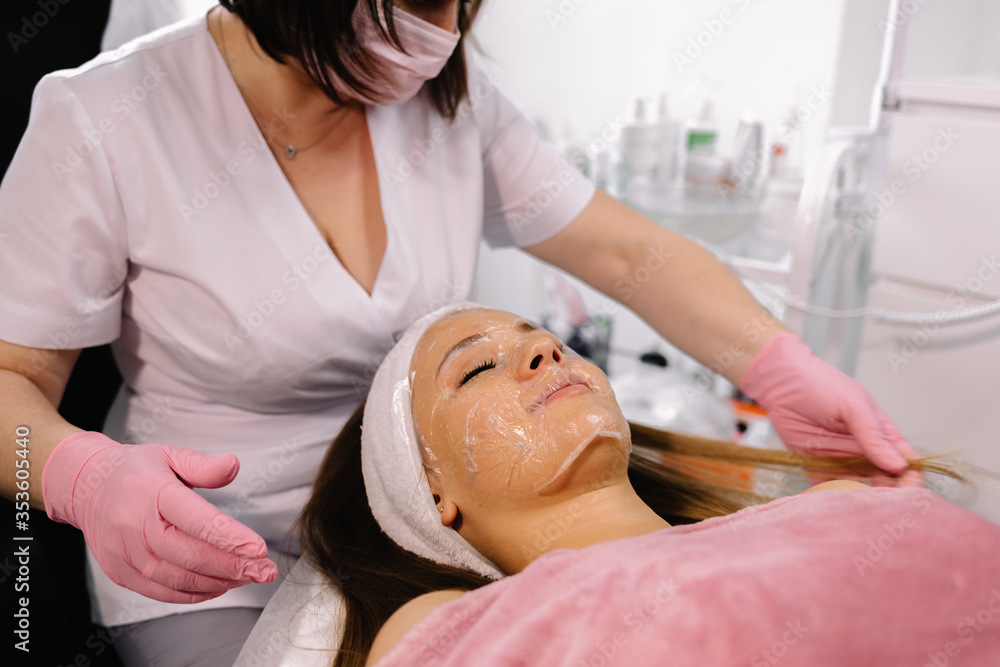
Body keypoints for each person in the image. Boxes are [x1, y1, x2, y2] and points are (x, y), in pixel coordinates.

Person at [0, 1, 922, 663]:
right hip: (212, 554)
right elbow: (12, 381)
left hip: (443, 524)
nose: (442, 29)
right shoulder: (103, 120)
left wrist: (781, 363)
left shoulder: (450, 97)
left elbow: (625, 247)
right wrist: (82, 475)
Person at [297, 303, 998, 667]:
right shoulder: (437, 622)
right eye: (476, 369)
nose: (545, 350)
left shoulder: (835, 504)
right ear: (431, 495)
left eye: (548, 341)